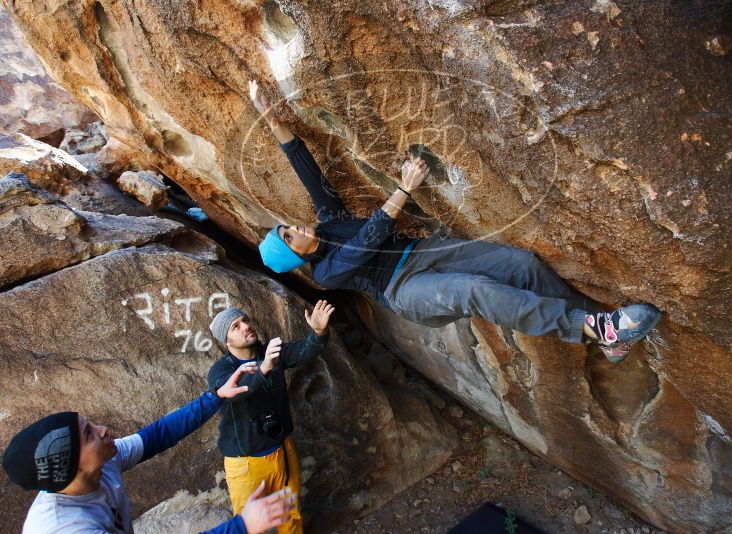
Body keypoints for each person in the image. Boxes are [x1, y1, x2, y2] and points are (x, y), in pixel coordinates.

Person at [249, 81, 660, 363]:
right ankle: (594, 329)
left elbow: (304, 165)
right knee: (473, 290)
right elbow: (370, 240)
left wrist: (270, 118)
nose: (296, 227)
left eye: (288, 226)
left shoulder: (329, 220)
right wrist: (403, 189)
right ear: (293, 255)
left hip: (424, 251)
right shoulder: (326, 274)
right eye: (289, 236)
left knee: (523, 265)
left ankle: (605, 332)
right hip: (406, 290)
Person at [2, 363, 296, 534]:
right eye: (89, 434)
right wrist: (242, 526)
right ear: (72, 467)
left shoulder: (104, 463)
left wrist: (216, 396)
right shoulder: (64, 527)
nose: (104, 431)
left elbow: (159, 434)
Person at [207, 299, 334, 534]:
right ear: (227, 341)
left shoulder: (271, 352)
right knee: (247, 527)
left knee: (290, 517)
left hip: (282, 450)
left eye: (245, 320)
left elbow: (304, 350)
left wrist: (317, 331)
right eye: (235, 326)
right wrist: (264, 368)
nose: (245, 326)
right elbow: (236, 391)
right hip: (246, 463)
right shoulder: (220, 370)